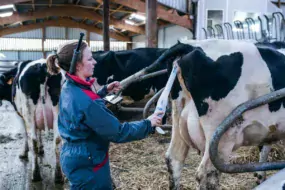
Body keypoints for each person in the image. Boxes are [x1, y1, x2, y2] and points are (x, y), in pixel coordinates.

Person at [46, 40, 163, 190]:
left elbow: (82, 109)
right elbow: (118, 133)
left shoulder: (68, 87)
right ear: (78, 65)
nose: (94, 62)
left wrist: (103, 91)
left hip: (73, 155)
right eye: (89, 58)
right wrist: (148, 123)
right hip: (89, 164)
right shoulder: (88, 102)